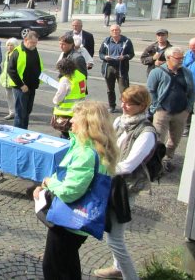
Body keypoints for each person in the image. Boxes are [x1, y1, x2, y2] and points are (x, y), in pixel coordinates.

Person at [35, 101, 118, 280]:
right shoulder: (97, 147)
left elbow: (71, 191)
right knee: (68, 263)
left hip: (69, 221)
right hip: (77, 222)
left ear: (88, 124)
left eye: (75, 118)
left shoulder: (86, 153)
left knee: (54, 268)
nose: (71, 121)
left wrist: (49, 183)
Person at [94, 86, 156, 280]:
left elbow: (129, 166)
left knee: (115, 239)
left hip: (125, 188)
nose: (123, 105)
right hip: (110, 182)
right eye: (123, 101)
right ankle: (117, 267)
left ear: (143, 106)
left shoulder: (146, 132)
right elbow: (107, 143)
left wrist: (100, 170)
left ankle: (129, 275)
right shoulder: (121, 120)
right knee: (110, 230)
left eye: (129, 103)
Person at [147, 47, 195, 172]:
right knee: (158, 139)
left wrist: (188, 108)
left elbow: (192, 92)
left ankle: (167, 159)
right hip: (162, 111)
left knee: (175, 139)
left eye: (182, 58)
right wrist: (157, 106)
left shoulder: (186, 73)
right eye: (178, 58)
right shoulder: (157, 72)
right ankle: (156, 162)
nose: (181, 61)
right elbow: (151, 90)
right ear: (168, 58)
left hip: (181, 112)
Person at [7, 31, 43, 129]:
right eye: (32, 42)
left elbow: (37, 66)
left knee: (27, 111)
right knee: (20, 112)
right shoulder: (17, 51)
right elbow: (10, 70)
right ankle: (18, 133)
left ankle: (24, 131)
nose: (34, 45)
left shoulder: (34, 50)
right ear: (26, 40)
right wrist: (21, 85)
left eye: (36, 43)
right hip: (21, 87)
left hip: (31, 86)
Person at [100, 25, 135, 113]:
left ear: (120, 31)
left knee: (124, 90)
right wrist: (105, 57)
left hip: (121, 69)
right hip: (109, 68)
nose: (115, 32)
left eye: (116, 30)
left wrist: (124, 57)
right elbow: (101, 53)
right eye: (113, 30)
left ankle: (126, 107)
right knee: (110, 89)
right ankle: (112, 106)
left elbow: (131, 54)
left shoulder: (126, 41)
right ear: (110, 32)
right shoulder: (106, 41)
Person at [52, 59, 86, 139]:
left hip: (66, 113)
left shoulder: (65, 80)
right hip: (78, 109)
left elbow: (60, 95)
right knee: (75, 134)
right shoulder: (80, 76)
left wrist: (55, 100)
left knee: (65, 134)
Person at [0, 38, 19, 120]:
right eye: (8, 45)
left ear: (15, 46)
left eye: (11, 45)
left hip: (14, 80)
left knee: (16, 97)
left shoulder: (17, 54)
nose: (9, 47)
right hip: (6, 80)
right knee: (9, 96)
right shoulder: (7, 54)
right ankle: (12, 113)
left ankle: (18, 113)